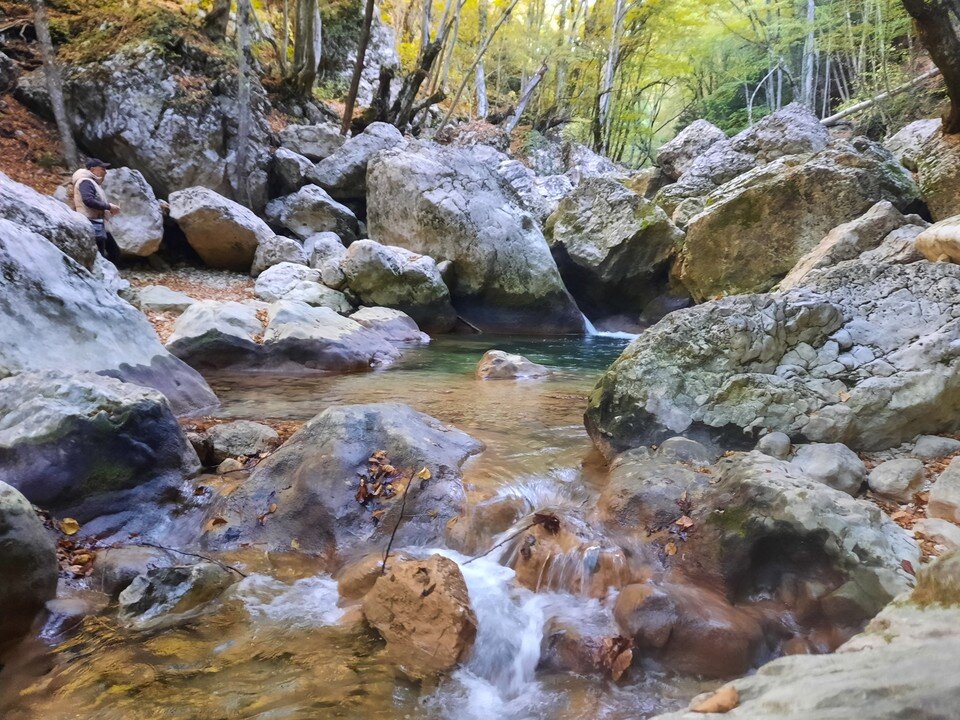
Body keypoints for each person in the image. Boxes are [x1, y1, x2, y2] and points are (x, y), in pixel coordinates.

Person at [71, 158, 121, 260]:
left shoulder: (91, 182)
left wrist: (108, 209)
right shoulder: (85, 181)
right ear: (93, 169)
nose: (105, 172)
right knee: (105, 255)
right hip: (92, 224)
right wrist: (109, 206)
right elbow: (88, 200)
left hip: (97, 223)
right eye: (103, 168)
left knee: (113, 252)